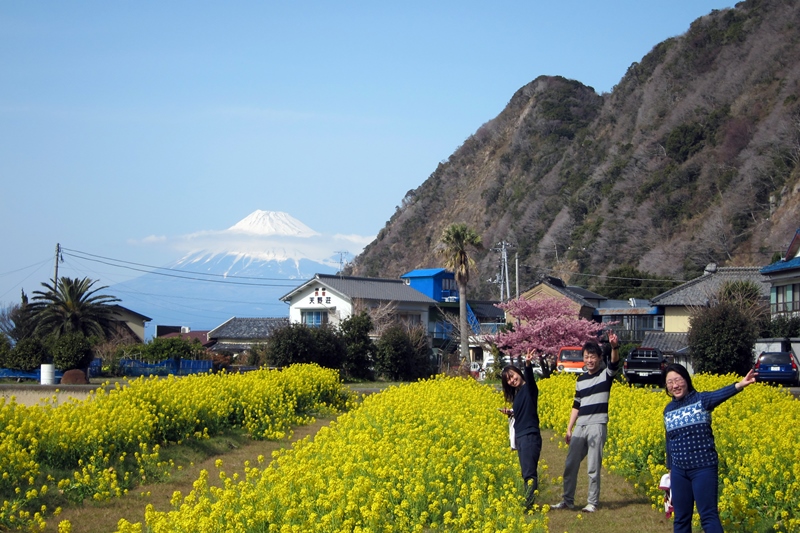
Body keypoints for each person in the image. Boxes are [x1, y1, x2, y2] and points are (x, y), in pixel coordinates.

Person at [663, 363, 756, 533]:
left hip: (703, 468)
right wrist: (670, 468)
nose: (675, 385)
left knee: (708, 516)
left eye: (678, 380)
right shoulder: (668, 410)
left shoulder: (701, 400)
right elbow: (669, 440)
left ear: (687, 380)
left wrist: (740, 385)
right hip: (679, 472)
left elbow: (720, 394)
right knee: (681, 519)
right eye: (670, 382)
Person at [552, 331, 620, 513]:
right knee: (570, 464)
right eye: (586, 356)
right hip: (580, 426)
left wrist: (614, 347)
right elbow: (576, 405)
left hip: (597, 425)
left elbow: (614, 362)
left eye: (593, 356)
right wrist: (569, 427)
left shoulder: (606, 375)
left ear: (599, 358)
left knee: (593, 466)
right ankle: (567, 500)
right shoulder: (580, 380)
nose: (589, 360)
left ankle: (592, 502)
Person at [500, 350, 542, 511]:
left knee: (529, 473)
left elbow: (530, 379)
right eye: (508, 380)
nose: (512, 380)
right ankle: (528, 503)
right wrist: (511, 413)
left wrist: (528, 364)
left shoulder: (530, 389)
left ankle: (529, 506)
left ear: (518, 372)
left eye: (512, 376)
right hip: (522, 435)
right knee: (526, 471)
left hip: (530, 435)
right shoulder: (518, 395)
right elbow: (523, 411)